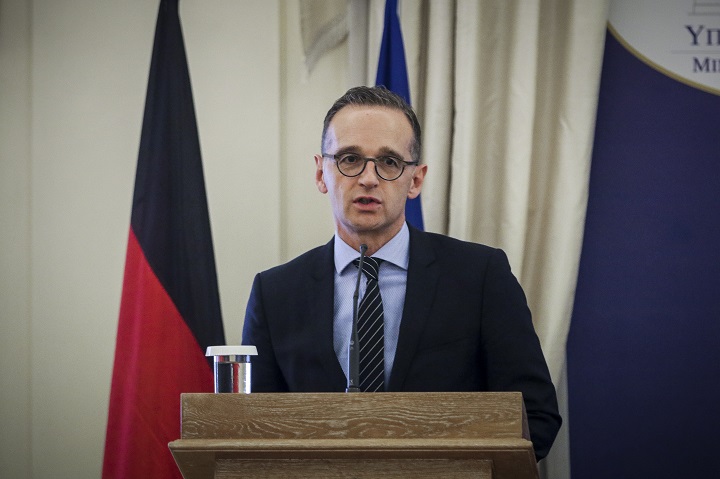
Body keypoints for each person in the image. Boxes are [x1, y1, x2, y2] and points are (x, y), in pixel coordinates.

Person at [242, 85, 561, 460]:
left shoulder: (479, 277)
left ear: (416, 180)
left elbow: (534, 416)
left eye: (389, 162)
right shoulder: (275, 292)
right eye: (349, 159)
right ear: (320, 173)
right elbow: (249, 430)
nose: (368, 178)